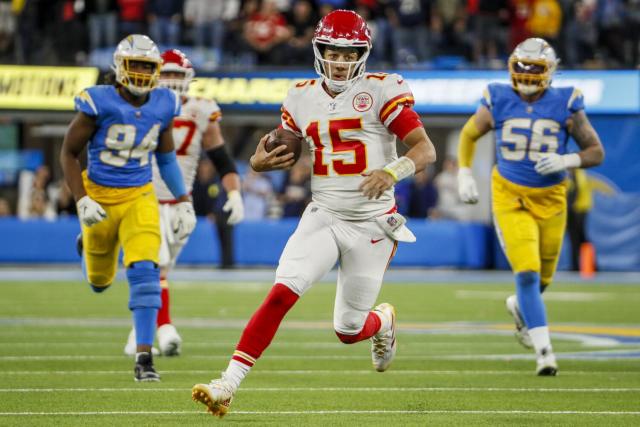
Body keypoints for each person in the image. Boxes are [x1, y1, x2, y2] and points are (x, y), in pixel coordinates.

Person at [191, 10, 436, 417]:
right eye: (332, 51)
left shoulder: (382, 89)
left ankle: (383, 323)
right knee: (282, 291)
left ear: (363, 53)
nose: (340, 61)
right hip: (324, 213)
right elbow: (280, 148)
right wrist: (257, 162)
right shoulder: (301, 95)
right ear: (319, 50)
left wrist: (391, 171)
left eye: (348, 53)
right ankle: (227, 385)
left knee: (347, 330)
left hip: (372, 223)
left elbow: (425, 149)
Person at [456, 38, 604, 375]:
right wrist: (465, 172)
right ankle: (545, 353)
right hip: (510, 195)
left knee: (544, 277)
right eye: (521, 66)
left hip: (552, 198)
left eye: (534, 68)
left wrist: (568, 158)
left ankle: (520, 306)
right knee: (527, 271)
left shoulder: (566, 102)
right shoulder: (498, 96)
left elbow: (596, 152)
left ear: (550, 71)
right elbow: (468, 135)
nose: (525, 74)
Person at [60, 35, 197, 382]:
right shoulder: (99, 101)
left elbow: (165, 159)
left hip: (139, 195)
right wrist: (81, 199)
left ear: (156, 71)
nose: (139, 73)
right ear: (119, 67)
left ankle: (144, 359)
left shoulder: (165, 102)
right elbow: (67, 153)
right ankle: (87, 246)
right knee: (99, 281)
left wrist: (183, 200)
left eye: (146, 67)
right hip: (99, 197)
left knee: (147, 274)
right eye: (133, 64)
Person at [123, 48, 244, 356]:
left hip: (180, 203)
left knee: (159, 270)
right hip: (143, 196)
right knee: (154, 267)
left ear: (189, 79)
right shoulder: (140, 104)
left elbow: (221, 158)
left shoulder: (202, 109)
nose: (173, 81)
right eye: (168, 74)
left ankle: (140, 328)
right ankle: (162, 330)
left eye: (178, 75)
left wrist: (234, 193)